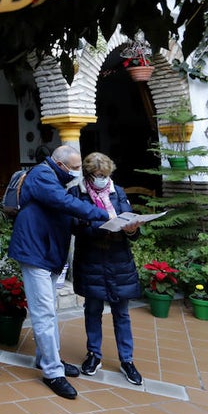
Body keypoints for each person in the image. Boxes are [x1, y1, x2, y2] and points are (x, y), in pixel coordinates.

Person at [8, 143, 110, 399]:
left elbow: (64, 215)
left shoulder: (57, 178)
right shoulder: (43, 175)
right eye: (75, 167)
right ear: (61, 164)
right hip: (35, 253)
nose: (78, 171)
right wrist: (102, 214)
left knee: (49, 311)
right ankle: (53, 372)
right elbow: (63, 203)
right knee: (43, 313)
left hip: (48, 253)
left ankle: (46, 358)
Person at [68, 152, 144, 386]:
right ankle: (94, 354)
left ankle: (127, 360)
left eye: (105, 174)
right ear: (88, 174)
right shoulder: (77, 193)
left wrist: (132, 229)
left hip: (119, 260)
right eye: (97, 175)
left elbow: (131, 225)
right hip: (91, 259)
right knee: (93, 310)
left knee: (122, 313)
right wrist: (101, 227)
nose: (102, 179)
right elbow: (75, 226)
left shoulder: (117, 192)